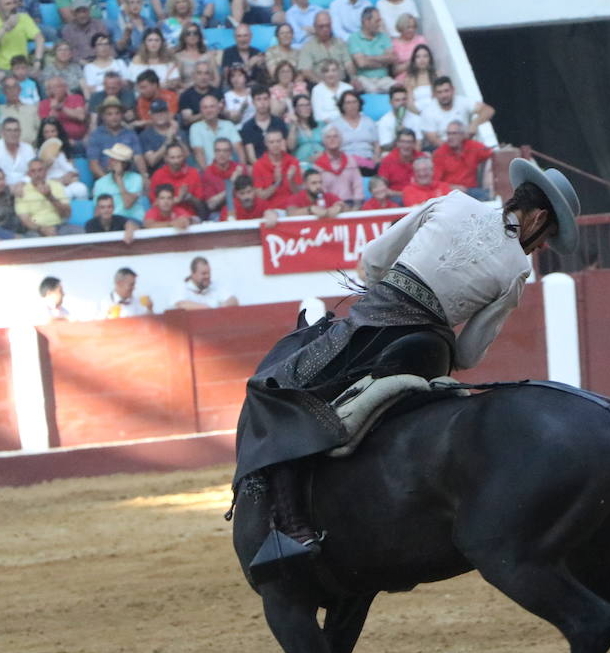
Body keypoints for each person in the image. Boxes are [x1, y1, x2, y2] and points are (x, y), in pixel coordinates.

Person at [234, 157, 582, 558]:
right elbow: (468, 353)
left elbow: (375, 259)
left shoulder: (452, 203)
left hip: (367, 336)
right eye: (545, 238)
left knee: (274, 387)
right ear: (538, 217)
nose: (539, 248)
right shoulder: (517, 270)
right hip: (430, 356)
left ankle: (291, 522)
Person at [418, 75, 494, 150]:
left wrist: (475, 123)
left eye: (446, 91)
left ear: (453, 90)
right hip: (444, 149)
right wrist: (454, 149)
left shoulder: (463, 101)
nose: (443, 95)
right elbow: (434, 140)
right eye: (439, 92)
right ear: (434, 94)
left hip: (466, 143)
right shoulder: (427, 111)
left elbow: (489, 110)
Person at [0, 0, 43, 71]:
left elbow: (40, 38)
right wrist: (6, 27)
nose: (13, 6)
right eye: (8, 4)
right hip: (0, 68)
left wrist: (37, 62)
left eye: (14, 3)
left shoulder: (24, 17)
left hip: (22, 67)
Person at [86, 97, 145, 177]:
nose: (114, 117)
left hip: (129, 176)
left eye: (117, 113)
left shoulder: (130, 134)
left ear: (122, 115)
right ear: (103, 116)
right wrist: (107, 181)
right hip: (106, 175)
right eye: (109, 114)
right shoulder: (96, 135)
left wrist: (144, 175)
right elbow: (93, 164)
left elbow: (138, 157)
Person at [93, 141, 148, 219]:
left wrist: (118, 178)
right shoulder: (100, 183)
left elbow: (127, 204)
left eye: (114, 160)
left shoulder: (136, 179)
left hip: (132, 219)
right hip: (111, 222)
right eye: (110, 159)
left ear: (124, 164)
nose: (109, 162)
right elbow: (97, 211)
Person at [298, 10, 351, 85]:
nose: (325, 29)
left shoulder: (340, 43)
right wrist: (324, 85)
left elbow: (348, 64)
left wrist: (353, 78)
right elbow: (306, 71)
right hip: (319, 84)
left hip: (342, 83)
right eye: (321, 26)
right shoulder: (308, 46)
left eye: (327, 26)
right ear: (315, 27)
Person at [0, 116, 34, 185]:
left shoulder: (28, 148)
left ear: (20, 132)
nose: (13, 134)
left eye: (16, 130)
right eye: (9, 130)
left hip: (24, 187)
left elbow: (34, 171)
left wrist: (22, 183)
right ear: (2, 133)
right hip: (1, 188)